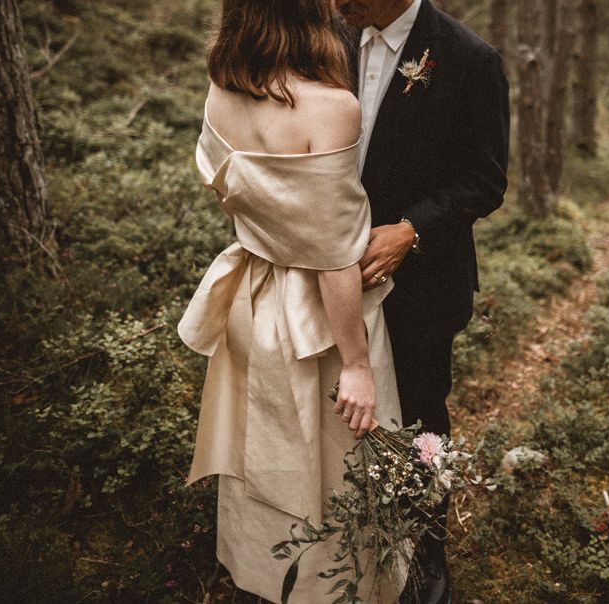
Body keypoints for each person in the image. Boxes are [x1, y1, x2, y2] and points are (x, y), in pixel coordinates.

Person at [177, 1, 408, 602]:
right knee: (334, 462)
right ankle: (341, 590)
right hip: (321, 320)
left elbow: (229, 185)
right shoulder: (331, 108)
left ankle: (263, 575)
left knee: (269, 445)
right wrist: (356, 363)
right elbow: (334, 256)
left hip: (253, 300)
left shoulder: (221, 91)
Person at [335, 1, 511, 603]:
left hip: (422, 286)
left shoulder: (469, 59)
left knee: (417, 418)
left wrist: (412, 228)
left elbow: (485, 180)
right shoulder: (330, 35)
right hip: (328, 277)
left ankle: (424, 555)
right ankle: (349, 548)